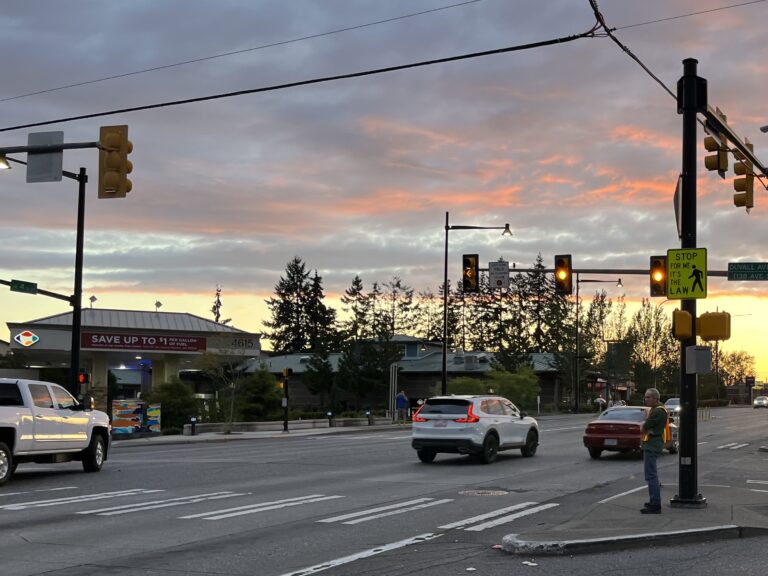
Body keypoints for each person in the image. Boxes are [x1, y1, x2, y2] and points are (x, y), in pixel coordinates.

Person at [641, 387, 668, 514]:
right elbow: (647, 428)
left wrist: (645, 427)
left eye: (649, 397)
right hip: (652, 445)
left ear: (656, 398)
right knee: (651, 475)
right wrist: (647, 428)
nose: (646, 399)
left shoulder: (658, 411)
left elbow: (645, 426)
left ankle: (655, 504)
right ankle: (653, 501)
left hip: (652, 446)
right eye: (645, 397)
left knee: (651, 476)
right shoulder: (656, 409)